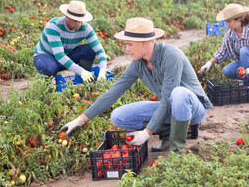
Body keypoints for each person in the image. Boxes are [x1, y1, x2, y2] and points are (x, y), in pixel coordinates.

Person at [59, 17, 212, 155]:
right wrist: (79, 120)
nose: (126, 50)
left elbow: (167, 99)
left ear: (144, 43)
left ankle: (176, 150)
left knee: (178, 93)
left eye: (130, 45)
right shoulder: (138, 65)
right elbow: (113, 93)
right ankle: (167, 133)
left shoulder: (171, 55)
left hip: (193, 108)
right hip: (169, 107)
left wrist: (146, 133)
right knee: (118, 115)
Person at [199, 4, 249, 84]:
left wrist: (248, 70)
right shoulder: (230, 35)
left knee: (244, 50)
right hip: (247, 62)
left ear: (239, 19)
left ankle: (248, 86)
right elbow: (222, 52)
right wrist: (209, 63)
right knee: (227, 71)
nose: (227, 24)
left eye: (229, 21)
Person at [33, 0, 108, 82]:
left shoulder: (85, 28)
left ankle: (83, 80)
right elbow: (60, 56)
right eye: (75, 20)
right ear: (67, 17)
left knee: (90, 49)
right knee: (50, 68)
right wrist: (81, 71)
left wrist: (102, 71)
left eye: (81, 20)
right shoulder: (54, 26)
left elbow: (100, 51)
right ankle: (45, 87)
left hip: (65, 56)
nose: (79, 24)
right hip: (45, 56)